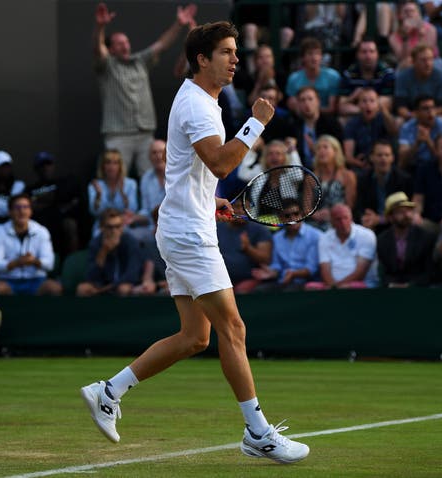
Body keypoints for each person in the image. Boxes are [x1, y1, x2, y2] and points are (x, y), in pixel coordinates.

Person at [80, 21, 310, 463]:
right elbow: (222, 163)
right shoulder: (198, 107)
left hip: (187, 223)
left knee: (194, 337)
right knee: (234, 329)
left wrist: (212, 204)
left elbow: (201, 172)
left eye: (236, 51)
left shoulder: (202, 100)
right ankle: (257, 433)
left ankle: (109, 391)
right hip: (188, 235)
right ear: (202, 59)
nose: (236, 59)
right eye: (226, 51)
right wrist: (256, 124)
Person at [92, 2, 197, 177]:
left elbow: (162, 44)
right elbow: (98, 49)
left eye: (126, 42)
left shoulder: (140, 61)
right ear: (110, 49)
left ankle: (152, 206)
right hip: (118, 134)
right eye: (119, 44)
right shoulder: (107, 65)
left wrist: (179, 24)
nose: (125, 46)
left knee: (153, 176)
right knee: (116, 177)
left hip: (145, 133)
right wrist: (100, 27)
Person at [0, 193, 62, 296]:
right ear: (10, 212)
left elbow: (49, 264)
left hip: (37, 280)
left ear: (30, 211)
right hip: (9, 280)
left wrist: (34, 261)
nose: (22, 211)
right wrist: (16, 263)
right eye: (17, 207)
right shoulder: (0, 232)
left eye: (25, 207)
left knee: (54, 288)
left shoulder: (41, 231)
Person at [251, 199, 322, 291]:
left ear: (302, 214)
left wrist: (293, 274)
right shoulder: (277, 238)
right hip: (282, 281)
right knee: (259, 290)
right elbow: (277, 266)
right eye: (287, 216)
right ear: (281, 218)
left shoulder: (315, 236)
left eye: (296, 214)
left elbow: (311, 269)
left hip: (307, 283)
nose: (292, 219)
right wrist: (272, 272)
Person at [76, 208, 148, 297]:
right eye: (110, 227)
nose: (114, 231)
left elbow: (132, 275)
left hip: (123, 285)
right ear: (102, 228)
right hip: (101, 284)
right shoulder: (95, 243)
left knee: (123, 289)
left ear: (122, 227)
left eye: (118, 226)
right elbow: (91, 277)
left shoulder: (131, 242)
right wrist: (103, 252)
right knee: (82, 289)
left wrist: (104, 289)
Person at [306, 203, 378, 289]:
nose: (343, 222)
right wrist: (333, 287)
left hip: (361, 284)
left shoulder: (367, 235)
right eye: (338, 219)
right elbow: (325, 269)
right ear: (332, 222)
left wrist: (337, 287)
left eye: (345, 218)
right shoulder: (324, 238)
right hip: (332, 286)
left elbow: (360, 273)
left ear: (351, 218)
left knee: (347, 287)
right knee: (309, 287)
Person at [26, 151, 81, 258]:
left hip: (60, 218)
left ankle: (71, 262)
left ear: (53, 166)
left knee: (70, 225)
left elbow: (73, 201)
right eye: (41, 165)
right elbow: (32, 205)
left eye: (48, 164)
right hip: (41, 220)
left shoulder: (63, 183)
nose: (45, 168)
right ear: (36, 169)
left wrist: (45, 199)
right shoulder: (30, 189)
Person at [376, 191, 437, 287]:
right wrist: (392, 284)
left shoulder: (425, 237)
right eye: (400, 212)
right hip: (391, 291)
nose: (407, 215)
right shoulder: (382, 240)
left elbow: (430, 271)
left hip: (418, 290)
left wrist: (410, 285)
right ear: (390, 217)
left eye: (409, 210)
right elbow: (382, 272)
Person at [355, 140, 414, 234]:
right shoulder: (363, 179)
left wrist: (380, 219)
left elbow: (404, 210)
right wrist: (365, 218)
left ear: (392, 158)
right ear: (371, 157)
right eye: (379, 155)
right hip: (370, 225)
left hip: (396, 225)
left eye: (387, 155)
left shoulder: (403, 180)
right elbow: (359, 207)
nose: (383, 159)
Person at [217, 198, 273, 294]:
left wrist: (248, 248)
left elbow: (266, 259)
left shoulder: (260, 230)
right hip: (220, 281)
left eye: (245, 207)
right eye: (237, 207)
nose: (241, 211)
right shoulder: (217, 227)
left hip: (248, 280)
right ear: (230, 208)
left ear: (250, 210)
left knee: (241, 291)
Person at [308, 135, 357, 231]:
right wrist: (316, 215)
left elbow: (350, 204)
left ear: (336, 151)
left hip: (339, 219)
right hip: (315, 222)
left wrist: (333, 214)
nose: (321, 151)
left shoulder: (347, 175)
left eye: (325, 147)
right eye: (318, 148)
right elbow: (307, 208)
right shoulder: (310, 177)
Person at [338, 38, 396, 119]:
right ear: (357, 55)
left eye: (372, 51)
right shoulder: (349, 75)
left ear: (377, 54)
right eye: (364, 52)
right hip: (356, 117)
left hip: (380, 116)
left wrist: (364, 107)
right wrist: (353, 97)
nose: (368, 56)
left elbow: (387, 103)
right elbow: (341, 107)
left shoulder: (387, 74)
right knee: (342, 120)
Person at [342, 87, 398, 170]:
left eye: (372, 101)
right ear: (358, 105)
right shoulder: (352, 124)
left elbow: (394, 131)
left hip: (384, 161)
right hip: (362, 164)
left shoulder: (384, 119)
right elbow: (348, 157)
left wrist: (384, 110)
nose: (368, 104)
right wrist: (358, 163)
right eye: (364, 101)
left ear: (378, 104)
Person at [394, 45, 442, 122]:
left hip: (436, 115)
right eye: (423, 60)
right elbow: (401, 107)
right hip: (412, 115)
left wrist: (426, 115)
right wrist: (410, 115)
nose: (428, 63)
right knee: (398, 121)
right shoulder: (403, 76)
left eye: (430, 59)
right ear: (413, 62)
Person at [88, 149, 139, 238]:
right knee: (98, 235)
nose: (111, 166)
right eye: (108, 163)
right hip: (103, 225)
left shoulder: (130, 184)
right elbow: (94, 212)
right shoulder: (95, 185)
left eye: (115, 163)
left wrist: (123, 193)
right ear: (103, 166)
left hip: (124, 224)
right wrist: (98, 195)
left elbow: (132, 210)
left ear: (120, 166)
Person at [285, 37, 341, 116]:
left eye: (317, 53)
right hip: (300, 119)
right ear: (303, 57)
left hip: (326, 118)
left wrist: (311, 111)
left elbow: (332, 108)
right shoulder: (294, 78)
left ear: (321, 57)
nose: (314, 58)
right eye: (310, 53)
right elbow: (292, 105)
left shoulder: (333, 76)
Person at [398, 95, 442, 173]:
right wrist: (417, 143)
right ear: (416, 113)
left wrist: (428, 141)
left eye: (433, 108)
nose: (430, 112)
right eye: (425, 109)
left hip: (437, 169)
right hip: (414, 168)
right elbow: (402, 162)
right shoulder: (407, 128)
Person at [291, 86, 343, 169]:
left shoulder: (332, 124)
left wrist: (316, 150)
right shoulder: (293, 125)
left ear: (318, 101)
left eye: (310, 99)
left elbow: (339, 151)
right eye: (302, 100)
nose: (307, 103)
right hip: (301, 170)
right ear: (298, 104)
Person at [389, 1, 440, 70]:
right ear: (399, 16)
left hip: (433, 61)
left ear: (418, 14)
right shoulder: (393, 37)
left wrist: (421, 35)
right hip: (408, 64)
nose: (410, 14)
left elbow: (427, 54)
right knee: (404, 65)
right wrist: (405, 38)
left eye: (412, 11)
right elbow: (403, 58)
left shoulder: (431, 29)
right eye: (406, 11)